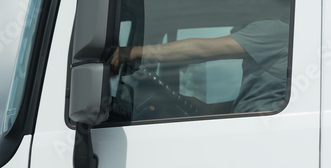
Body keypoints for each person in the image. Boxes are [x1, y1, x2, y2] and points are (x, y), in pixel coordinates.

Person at [110, 17, 289, 116]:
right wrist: (210, 108)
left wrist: (133, 52)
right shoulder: (280, 37)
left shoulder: (275, 31)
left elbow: (203, 50)